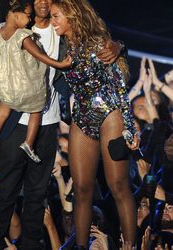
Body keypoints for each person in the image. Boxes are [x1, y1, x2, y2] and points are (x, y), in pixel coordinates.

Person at [0, 0, 122, 249]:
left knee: (37, 195)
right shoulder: (15, 27)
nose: (43, 2)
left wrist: (118, 45)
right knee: (6, 192)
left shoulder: (62, 30)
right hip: (16, 121)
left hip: (48, 122)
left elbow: (98, 40)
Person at [50, 0, 140, 249]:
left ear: (71, 15)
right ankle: (81, 246)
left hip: (110, 113)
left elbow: (119, 86)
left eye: (57, 16)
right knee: (81, 189)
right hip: (82, 116)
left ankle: (129, 245)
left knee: (118, 185)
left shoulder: (97, 42)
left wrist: (129, 126)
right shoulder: (57, 44)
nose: (53, 21)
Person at [0, 0, 71, 164]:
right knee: (37, 109)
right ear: (14, 14)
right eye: (27, 16)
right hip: (25, 83)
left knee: (1, 113)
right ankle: (28, 143)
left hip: (6, 84)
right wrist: (60, 64)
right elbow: (39, 55)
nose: (29, 20)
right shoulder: (23, 35)